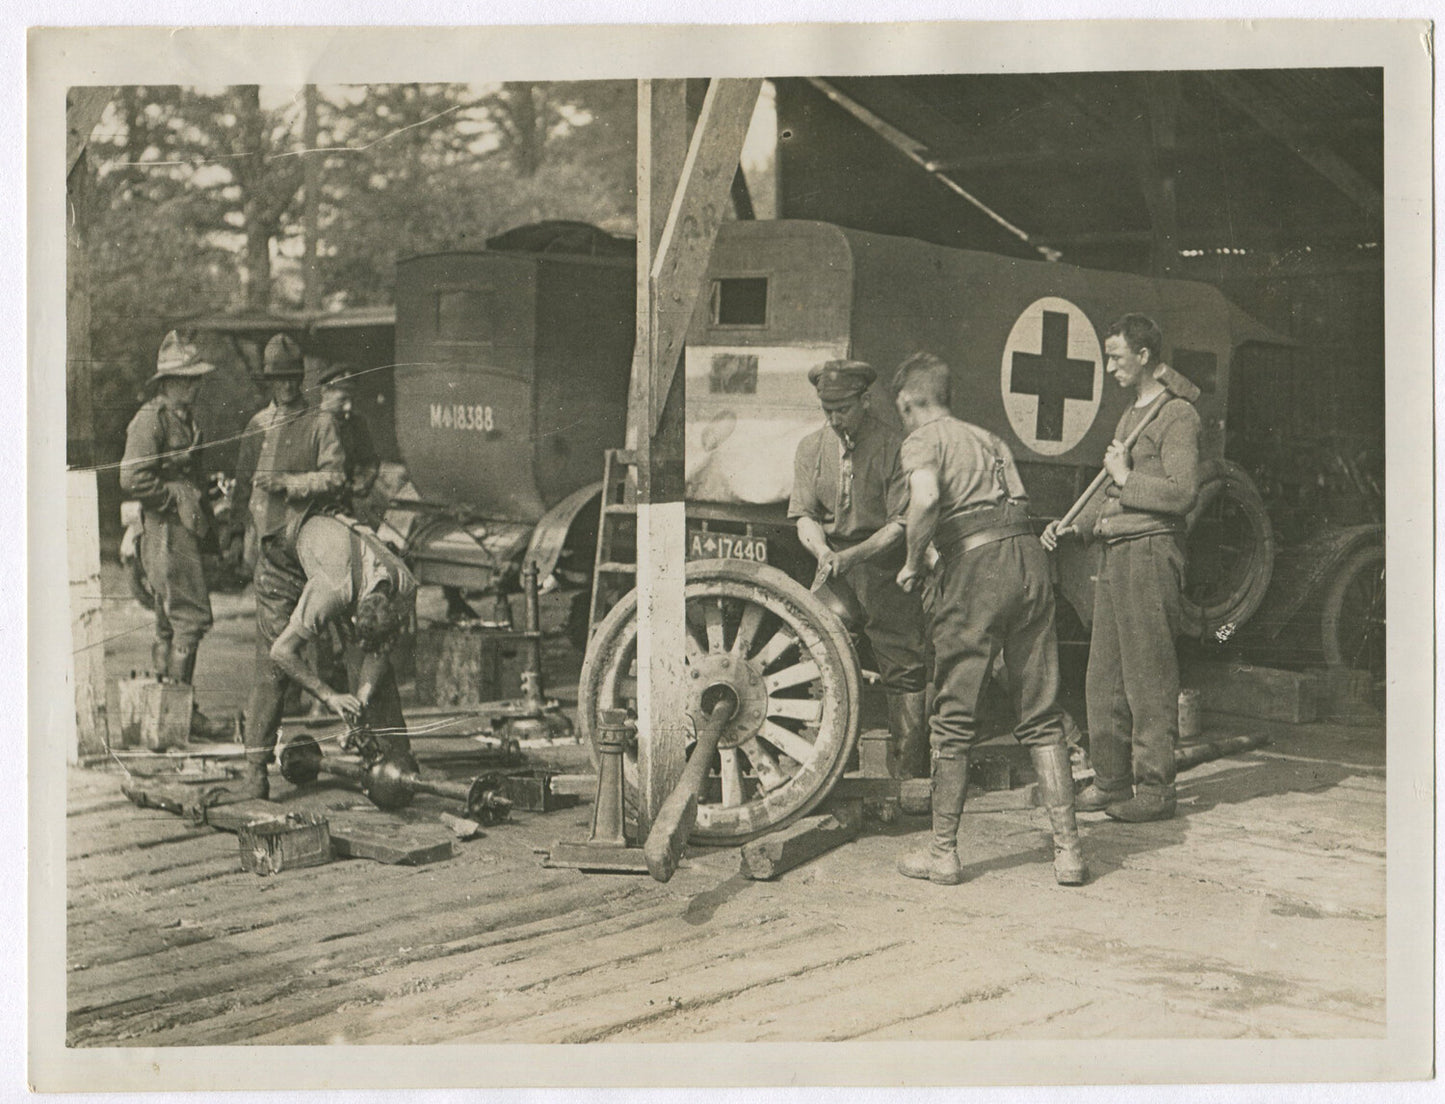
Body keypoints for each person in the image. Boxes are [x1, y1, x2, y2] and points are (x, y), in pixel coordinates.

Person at [892, 352, 1085, 886]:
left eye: (903, 410)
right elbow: (1019, 503)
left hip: (976, 570)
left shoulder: (922, 439)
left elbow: (927, 498)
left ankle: (943, 853)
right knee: (1042, 712)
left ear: (909, 402)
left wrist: (913, 562)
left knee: (953, 715)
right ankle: (1068, 854)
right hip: (1028, 561)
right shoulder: (991, 440)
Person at [1042, 314, 1200, 822]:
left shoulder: (1177, 417)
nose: (1109, 366)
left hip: (1151, 553)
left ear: (1145, 355)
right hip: (1115, 553)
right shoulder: (1133, 415)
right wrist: (1074, 528)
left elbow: (1181, 493)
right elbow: (1108, 490)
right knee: (1103, 676)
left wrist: (1127, 475)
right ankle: (1112, 782)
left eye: (1116, 356)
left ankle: (1155, 791)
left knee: (1148, 677)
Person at [788, 359, 928, 779]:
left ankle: (908, 775)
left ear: (865, 401)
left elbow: (901, 525)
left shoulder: (895, 448)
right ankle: (828, 770)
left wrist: (853, 556)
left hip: (883, 567)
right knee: (819, 657)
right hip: (833, 568)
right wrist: (821, 551)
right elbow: (804, 516)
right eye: (826, 410)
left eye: (843, 409)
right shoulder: (810, 448)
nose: (834, 419)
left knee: (904, 668)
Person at [232, 513, 419, 800]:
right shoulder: (332, 590)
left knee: (372, 675)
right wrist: (329, 696)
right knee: (274, 669)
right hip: (283, 563)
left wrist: (362, 699)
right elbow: (282, 651)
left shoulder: (403, 584)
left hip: (339, 558)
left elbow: (379, 654)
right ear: (355, 618)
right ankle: (255, 770)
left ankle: (396, 757)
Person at [119, 331, 231, 740]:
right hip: (166, 530)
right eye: (187, 379)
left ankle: (168, 712)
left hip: (181, 528)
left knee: (170, 622)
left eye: (197, 378)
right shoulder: (152, 419)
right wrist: (173, 495)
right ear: (166, 383)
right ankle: (182, 713)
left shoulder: (183, 419)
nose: (195, 385)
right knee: (189, 618)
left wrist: (206, 490)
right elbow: (131, 476)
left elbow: (185, 471)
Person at [318, 363, 381, 526]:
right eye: (342, 399)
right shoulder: (309, 424)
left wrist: (363, 482)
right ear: (325, 392)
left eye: (351, 399)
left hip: (343, 509)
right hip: (310, 510)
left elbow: (370, 461)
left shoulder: (355, 423)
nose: (349, 406)